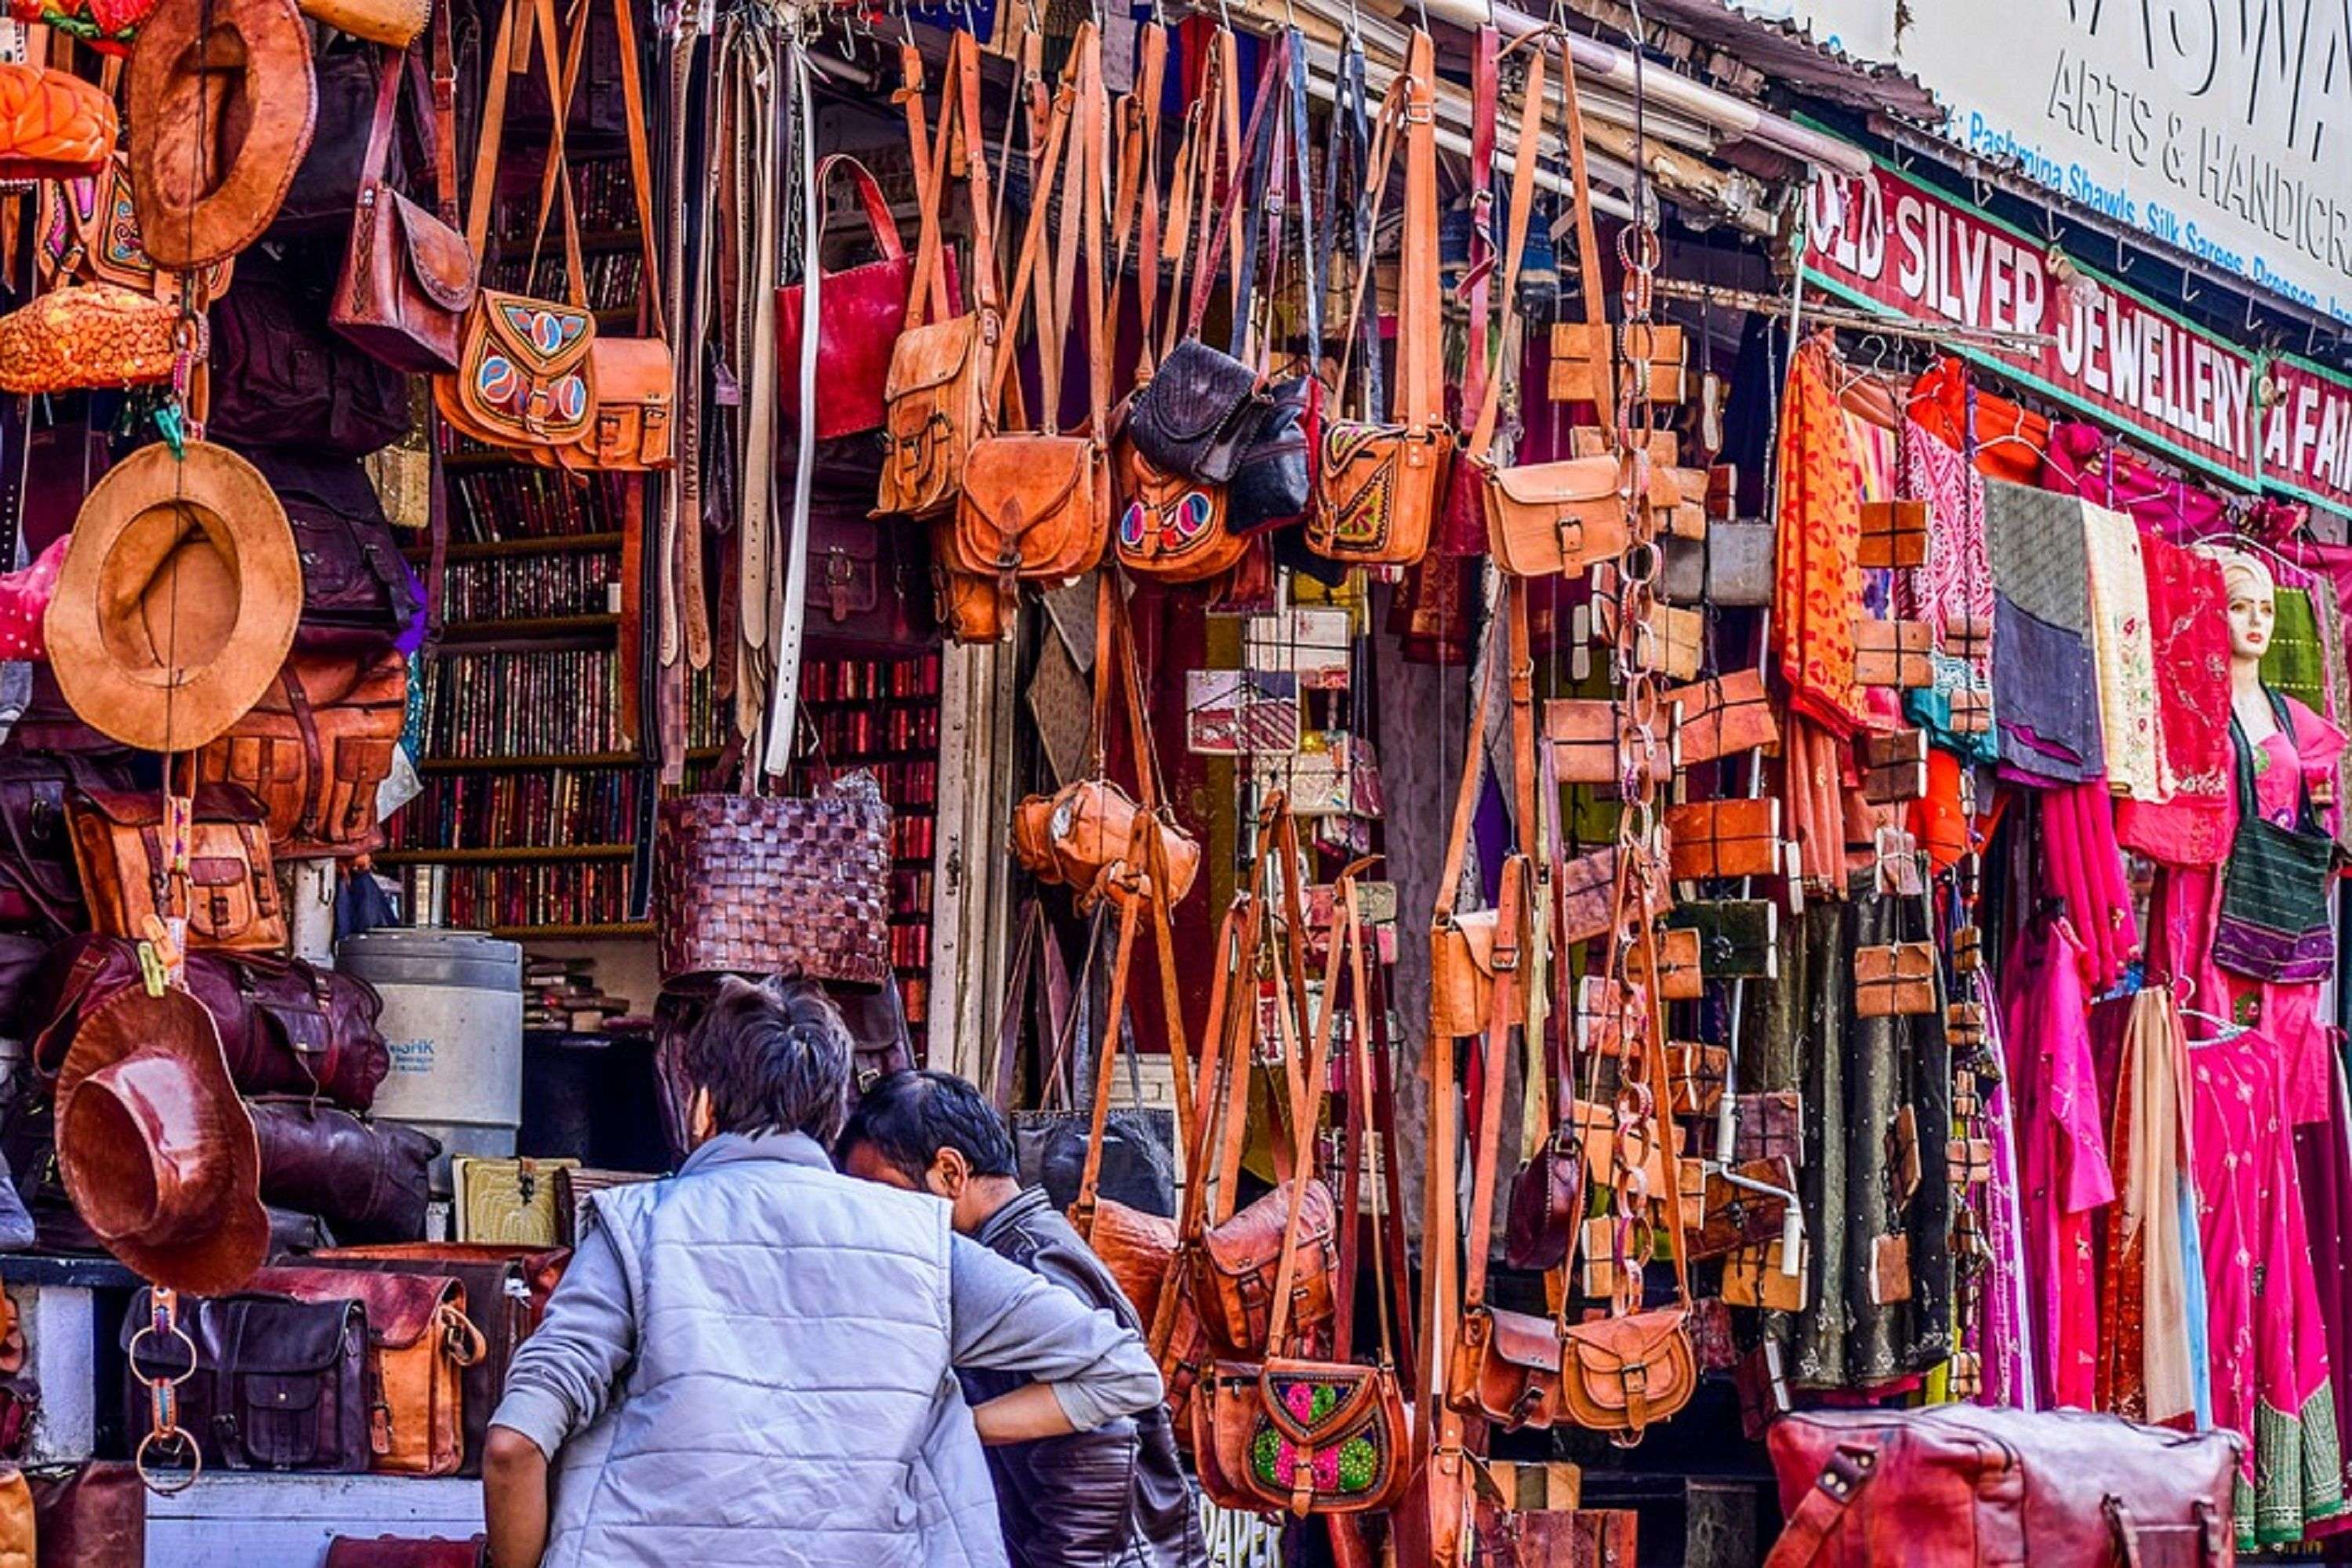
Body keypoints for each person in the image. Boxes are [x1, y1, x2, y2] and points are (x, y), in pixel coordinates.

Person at [483, 978, 1165, 1568]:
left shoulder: (635, 1229)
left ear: (703, 1108)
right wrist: (954, 1427)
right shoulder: (922, 1243)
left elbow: (515, 1445)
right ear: (829, 1115)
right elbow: (1124, 1372)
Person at [842, 1070, 1204, 1568]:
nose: (875, 1218)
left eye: (885, 1195)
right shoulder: (1025, 1246)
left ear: (950, 1172)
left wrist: (954, 1429)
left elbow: (1095, 1465)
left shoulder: (1027, 1265)